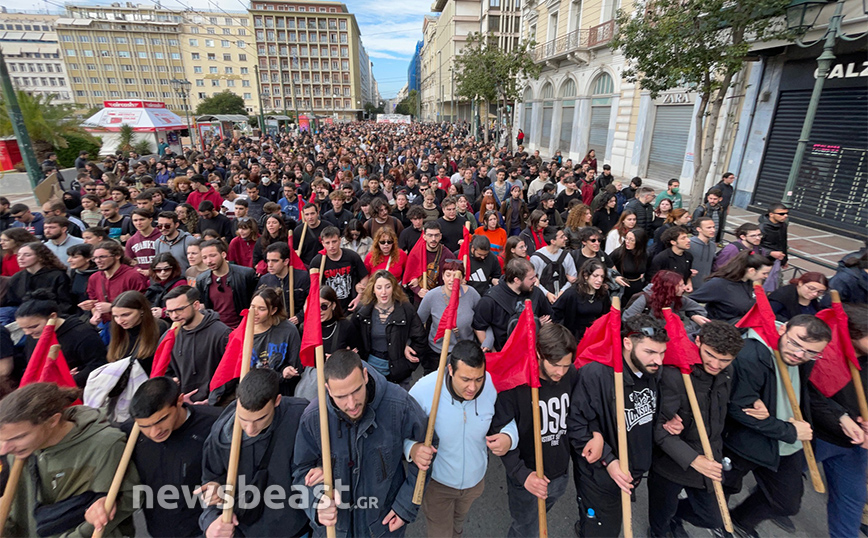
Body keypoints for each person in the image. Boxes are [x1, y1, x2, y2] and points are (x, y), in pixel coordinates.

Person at [293, 349, 430, 537]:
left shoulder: (399, 404)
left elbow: (427, 449)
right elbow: (300, 471)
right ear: (328, 389)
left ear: (365, 376)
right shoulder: (313, 418)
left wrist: (406, 506)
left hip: (383, 527)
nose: (351, 404)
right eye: (341, 396)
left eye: (356, 390)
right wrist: (316, 504)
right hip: (335, 530)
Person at [724, 315, 832, 538]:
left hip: (784, 444)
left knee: (786, 502)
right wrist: (790, 431)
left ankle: (740, 521)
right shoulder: (751, 355)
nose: (800, 354)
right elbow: (737, 408)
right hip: (746, 441)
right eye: (796, 344)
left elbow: (801, 393)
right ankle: (674, 520)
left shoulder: (804, 357)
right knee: (716, 495)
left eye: (811, 352)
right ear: (783, 329)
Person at [569, 314, 668, 538]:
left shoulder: (653, 371)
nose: (658, 360)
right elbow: (576, 424)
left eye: (662, 353)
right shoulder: (595, 374)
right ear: (627, 343)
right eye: (650, 352)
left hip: (632, 471)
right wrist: (609, 460)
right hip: (599, 476)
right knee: (604, 530)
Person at [408, 340, 517, 538]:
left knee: (457, 525)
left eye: (478, 379)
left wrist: (509, 437)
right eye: (466, 379)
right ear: (450, 369)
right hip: (438, 484)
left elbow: (506, 421)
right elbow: (401, 432)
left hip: (474, 483)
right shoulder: (424, 390)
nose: (473, 388)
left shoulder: (490, 384)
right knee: (441, 533)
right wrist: (412, 449)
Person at [0, 383, 138, 537]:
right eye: (2, 440)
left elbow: (129, 500)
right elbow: (17, 512)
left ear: (53, 421)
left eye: (19, 437)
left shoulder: (104, 446)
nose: (4, 450)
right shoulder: (19, 453)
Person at [648, 322, 746, 537]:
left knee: (713, 516)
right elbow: (658, 429)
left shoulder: (727, 372)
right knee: (660, 518)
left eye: (725, 360)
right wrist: (693, 459)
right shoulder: (675, 376)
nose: (716, 364)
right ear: (698, 341)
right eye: (710, 355)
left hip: (710, 454)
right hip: (671, 464)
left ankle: (676, 516)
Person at [490, 323, 578, 537]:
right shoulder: (515, 384)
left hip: (560, 471)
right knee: (525, 529)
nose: (561, 372)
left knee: (539, 520)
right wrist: (523, 475)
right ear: (539, 354)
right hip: (527, 476)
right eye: (556, 365)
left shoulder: (571, 374)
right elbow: (499, 432)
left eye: (566, 365)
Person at [200, 368, 311, 538]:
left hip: (295, 527)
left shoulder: (300, 413)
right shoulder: (222, 433)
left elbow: (318, 456)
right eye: (244, 419)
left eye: (260, 419)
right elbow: (210, 480)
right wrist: (211, 515)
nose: (251, 428)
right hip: (247, 529)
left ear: (277, 401)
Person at [810, 303, 868, 538]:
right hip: (820, 435)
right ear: (856, 333)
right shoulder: (826, 350)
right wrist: (842, 417)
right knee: (782, 491)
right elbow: (811, 393)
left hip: (853, 446)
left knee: (850, 503)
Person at [16, 290, 106, 387]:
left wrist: (73, 378)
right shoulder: (32, 336)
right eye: (23, 329)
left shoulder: (82, 333)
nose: (28, 332)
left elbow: (98, 364)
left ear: (53, 316)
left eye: (33, 327)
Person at [352, 270, 427, 386]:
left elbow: (420, 339)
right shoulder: (362, 311)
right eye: (379, 287)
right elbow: (353, 337)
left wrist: (408, 365)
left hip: (399, 373)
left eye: (387, 287)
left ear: (394, 288)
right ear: (373, 289)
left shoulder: (406, 309)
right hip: (370, 370)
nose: (383, 292)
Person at [163, 286, 231, 403]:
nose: (174, 316)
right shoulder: (169, 336)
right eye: (169, 312)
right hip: (181, 403)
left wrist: (212, 399)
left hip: (214, 405)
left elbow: (230, 372)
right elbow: (165, 370)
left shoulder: (221, 333)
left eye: (179, 309)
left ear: (196, 305)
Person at [473, 258, 553, 352]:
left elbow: (549, 319)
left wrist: (538, 325)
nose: (535, 281)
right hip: (504, 354)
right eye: (531, 278)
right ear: (517, 280)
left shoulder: (536, 293)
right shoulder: (490, 300)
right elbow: (479, 327)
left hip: (531, 353)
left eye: (535, 276)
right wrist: (494, 354)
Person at [418, 259, 482, 358]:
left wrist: (486, 343)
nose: (452, 279)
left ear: (463, 279)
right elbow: (418, 322)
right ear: (443, 276)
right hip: (438, 351)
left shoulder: (472, 294)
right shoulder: (431, 296)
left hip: (465, 352)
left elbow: (482, 322)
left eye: (456, 276)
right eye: (448, 275)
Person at [689, 251, 773, 323]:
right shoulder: (719, 284)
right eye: (764, 273)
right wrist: (694, 315)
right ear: (751, 270)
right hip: (718, 333)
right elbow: (688, 301)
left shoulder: (750, 283)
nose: (766, 277)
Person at [195, 239, 259, 329]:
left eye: (212, 256)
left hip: (243, 328)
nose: (208, 261)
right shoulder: (201, 280)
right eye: (204, 258)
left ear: (223, 254)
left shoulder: (245, 275)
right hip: (217, 330)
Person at [2, 242, 75, 319]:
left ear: (40, 257)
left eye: (27, 255)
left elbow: (66, 303)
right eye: (18, 255)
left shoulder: (57, 276)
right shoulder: (17, 278)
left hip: (52, 317)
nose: (20, 258)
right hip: (24, 317)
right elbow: (12, 302)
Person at [250, 287, 303, 394]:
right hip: (252, 389)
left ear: (273, 310)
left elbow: (296, 365)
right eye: (252, 307)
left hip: (281, 390)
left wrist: (286, 372)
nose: (254, 312)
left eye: (261, 309)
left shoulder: (288, 330)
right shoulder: (244, 330)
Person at [623, 270, 710, 335]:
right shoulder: (645, 299)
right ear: (669, 288)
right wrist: (648, 331)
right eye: (680, 285)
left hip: (671, 342)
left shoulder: (678, 298)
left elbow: (701, 311)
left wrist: (692, 318)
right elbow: (627, 319)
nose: (684, 288)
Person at [84, 240, 149, 325]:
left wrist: (112, 307)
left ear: (117, 256)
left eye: (102, 257)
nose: (98, 261)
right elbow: (94, 300)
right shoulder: (94, 278)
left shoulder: (133, 276)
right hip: (106, 325)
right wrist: (95, 312)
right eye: (95, 258)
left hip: (131, 324)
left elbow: (142, 303)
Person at [312, 226, 369, 312]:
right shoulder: (317, 262)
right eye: (327, 243)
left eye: (334, 241)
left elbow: (364, 276)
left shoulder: (352, 257)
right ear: (322, 243)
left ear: (340, 240)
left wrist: (359, 297)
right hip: (328, 309)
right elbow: (313, 288)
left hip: (350, 305)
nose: (331, 246)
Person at [553, 258, 611, 341]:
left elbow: (606, 315)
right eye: (595, 276)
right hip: (574, 338)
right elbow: (556, 313)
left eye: (602, 277)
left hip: (595, 336)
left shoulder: (603, 294)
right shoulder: (571, 293)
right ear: (586, 276)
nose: (599, 280)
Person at [259, 242, 311, 323]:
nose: (270, 265)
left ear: (286, 261)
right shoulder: (264, 281)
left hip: (298, 325)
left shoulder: (302, 277)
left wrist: (300, 317)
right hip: (274, 325)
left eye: (275, 261)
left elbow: (311, 301)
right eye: (268, 261)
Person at [409, 221, 456, 301]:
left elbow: (454, 277)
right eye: (430, 235)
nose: (433, 239)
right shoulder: (416, 253)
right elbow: (409, 276)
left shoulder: (448, 255)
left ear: (440, 236)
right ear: (424, 236)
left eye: (436, 235)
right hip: (420, 299)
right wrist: (418, 290)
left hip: (441, 298)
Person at [531, 227, 577, 304]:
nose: (565, 238)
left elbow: (573, 278)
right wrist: (547, 294)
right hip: (542, 300)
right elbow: (532, 280)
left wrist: (562, 291)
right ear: (553, 241)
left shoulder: (566, 256)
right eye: (562, 237)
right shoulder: (536, 258)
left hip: (564, 299)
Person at [610, 228, 648, 304]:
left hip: (638, 287)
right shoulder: (619, 253)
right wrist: (615, 277)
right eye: (626, 238)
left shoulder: (645, 254)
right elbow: (605, 265)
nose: (627, 242)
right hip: (622, 289)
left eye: (632, 240)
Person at [144, 252, 186, 318]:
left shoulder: (180, 283)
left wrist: (163, 312)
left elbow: (182, 306)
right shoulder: (151, 282)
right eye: (158, 270)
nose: (163, 272)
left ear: (173, 268)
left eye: (167, 269)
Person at [689, 216, 717, 292]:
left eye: (713, 227)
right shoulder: (689, 244)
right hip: (689, 286)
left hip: (705, 286)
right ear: (699, 229)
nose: (713, 230)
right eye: (709, 228)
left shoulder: (712, 245)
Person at [67, 242, 98, 307]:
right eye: (69, 257)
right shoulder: (74, 272)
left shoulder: (97, 274)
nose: (69, 260)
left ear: (88, 258)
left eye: (75, 257)